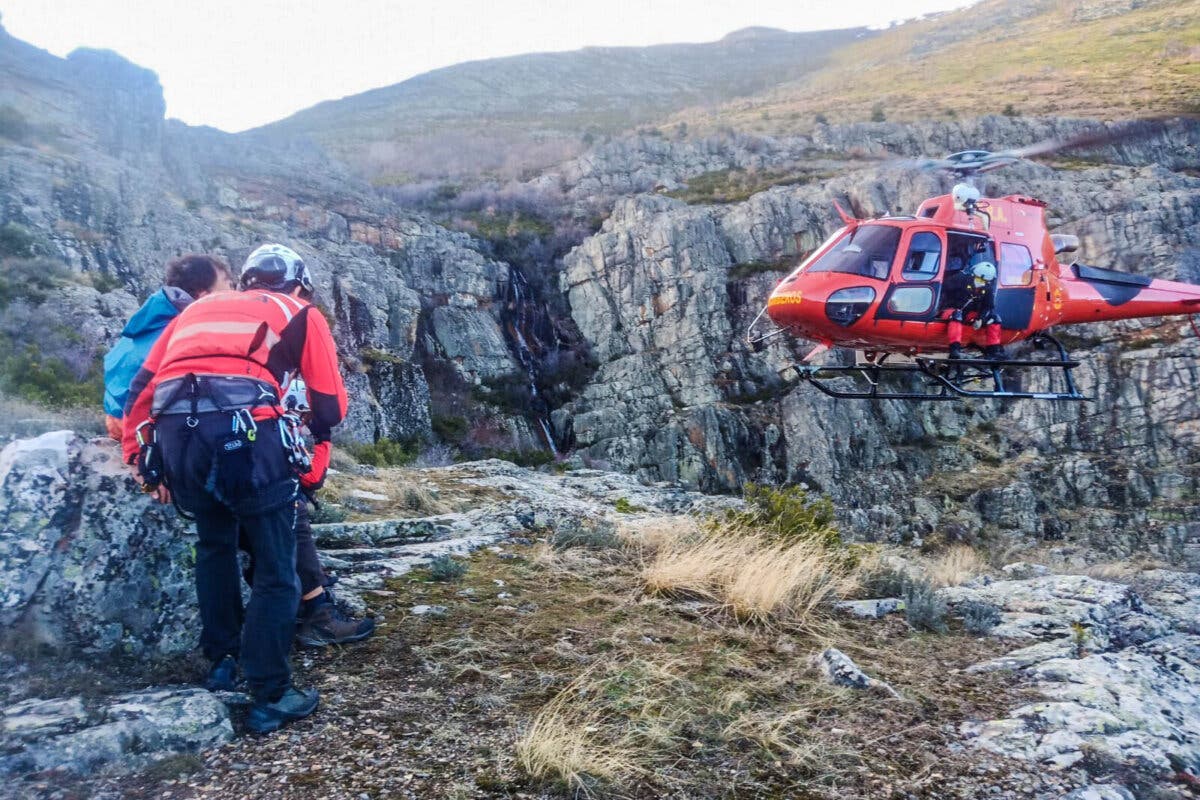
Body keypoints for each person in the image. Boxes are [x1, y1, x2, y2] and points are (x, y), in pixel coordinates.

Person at [121, 243, 346, 733]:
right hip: (245, 439)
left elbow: (141, 388)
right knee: (275, 565)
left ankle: (221, 665)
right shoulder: (299, 312)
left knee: (215, 547)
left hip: (178, 440)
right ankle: (270, 693)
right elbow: (330, 407)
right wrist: (313, 431)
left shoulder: (196, 309)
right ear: (299, 284)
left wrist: (139, 459)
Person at [103, 255, 233, 443]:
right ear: (204, 295)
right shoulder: (186, 330)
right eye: (227, 283)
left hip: (116, 418)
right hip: (144, 428)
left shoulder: (151, 318)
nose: (233, 290)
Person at [939, 259, 1005, 360]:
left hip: (971, 314)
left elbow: (988, 306)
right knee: (957, 315)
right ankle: (955, 349)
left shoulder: (987, 289)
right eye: (979, 279)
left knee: (995, 318)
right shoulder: (960, 279)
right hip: (952, 311)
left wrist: (980, 319)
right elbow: (943, 289)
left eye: (984, 281)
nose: (980, 282)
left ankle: (993, 351)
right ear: (974, 274)